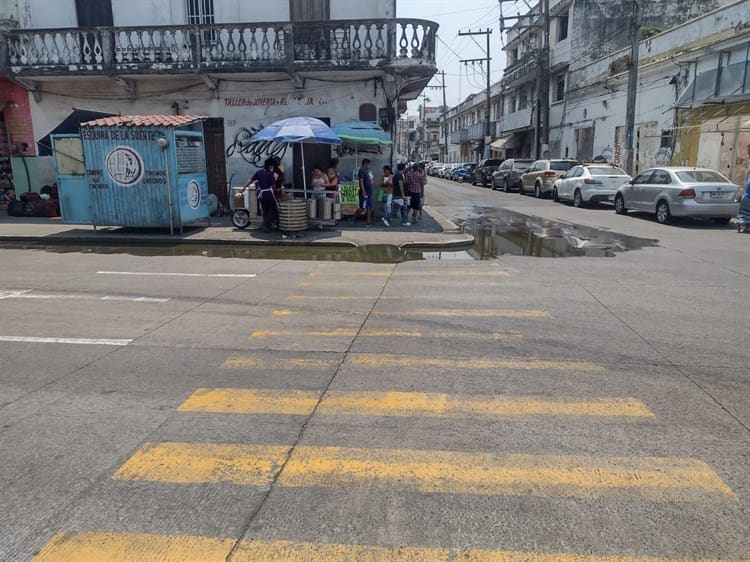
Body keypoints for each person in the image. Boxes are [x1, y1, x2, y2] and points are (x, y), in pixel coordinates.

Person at [243, 157, 278, 232]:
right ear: (270, 166)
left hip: (261, 194)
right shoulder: (270, 174)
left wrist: (243, 188)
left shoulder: (259, 172)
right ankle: (269, 225)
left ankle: (266, 226)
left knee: (265, 210)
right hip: (268, 194)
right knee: (274, 209)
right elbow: (273, 186)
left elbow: (251, 181)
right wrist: (277, 189)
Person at [353, 158, 373, 226]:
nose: (369, 166)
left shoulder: (366, 171)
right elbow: (361, 182)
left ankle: (368, 222)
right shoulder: (361, 171)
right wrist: (363, 192)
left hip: (368, 192)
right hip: (365, 193)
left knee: (369, 207)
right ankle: (354, 217)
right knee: (363, 207)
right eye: (368, 165)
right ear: (365, 164)